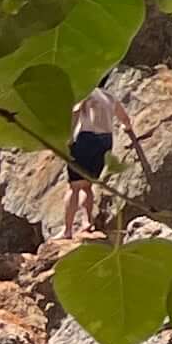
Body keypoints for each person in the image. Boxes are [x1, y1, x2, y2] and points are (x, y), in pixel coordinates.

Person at [62, 85, 137, 239]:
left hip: (86, 137)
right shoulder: (109, 96)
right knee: (88, 185)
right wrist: (127, 128)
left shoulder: (85, 92)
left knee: (74, 186)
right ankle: (86, 221)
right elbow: (124, 117)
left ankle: (67, 230)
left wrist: (69, 137)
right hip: (106, 140)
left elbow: (75, 112)